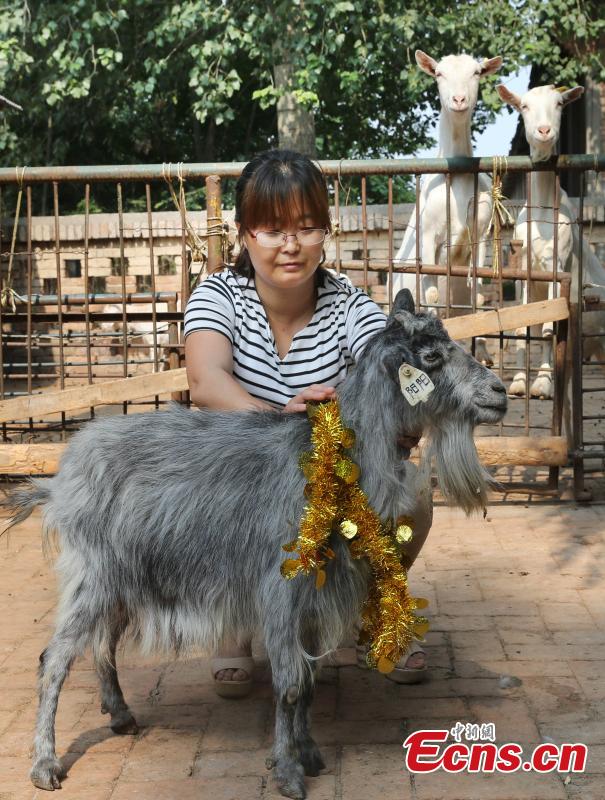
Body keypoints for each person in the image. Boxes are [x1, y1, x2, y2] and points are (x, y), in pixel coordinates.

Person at [184, 149, 426, 697]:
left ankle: (372, 612)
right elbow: (206, 381)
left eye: (306, 226)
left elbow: (398, 373)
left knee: (411, 489)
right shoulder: (218, 295)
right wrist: (279, 420)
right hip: (241, 479)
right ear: (246, 234)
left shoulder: (351, 305)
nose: (290, 245)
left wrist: (394, 405)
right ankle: (236, 624)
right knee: (210, 496)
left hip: (329, 481)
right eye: (272, 229)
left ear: (325, 231)